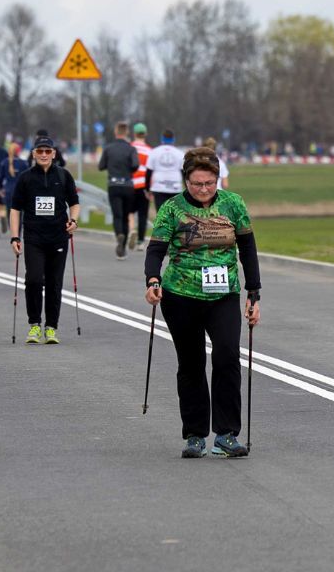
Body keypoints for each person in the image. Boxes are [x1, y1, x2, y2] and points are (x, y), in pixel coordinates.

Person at [143, 146, 260, 459]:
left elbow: (248, 248)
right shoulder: (172, 208)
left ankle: (226, 435)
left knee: (226, 356)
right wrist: (153, 280)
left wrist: (254, 293)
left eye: (210, 183)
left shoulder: (233, 204)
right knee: (192, 363)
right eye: (197, 183)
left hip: (223, 295)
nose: (204, 189)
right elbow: (155, 250)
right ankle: (195, 435)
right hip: (181, 296)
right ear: (185, 181)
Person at [9, 135, 80, 345]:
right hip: (33, 237)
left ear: (54, 154)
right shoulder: (25, 178)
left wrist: (73, 220)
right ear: (33, 154)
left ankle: (51, 328)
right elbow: (15, 209)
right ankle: (34, 325)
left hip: (58, 237)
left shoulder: (64, 176)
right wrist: (15, 236)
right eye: (39, 151)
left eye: (47, 151)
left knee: (54, 282)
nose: (43, 155)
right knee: (33, 279)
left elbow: (74, 203)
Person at [98, 122, 140, 260]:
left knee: (117, 215)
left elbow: (101, 166)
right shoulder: (131, 149)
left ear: (116, 132)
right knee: (126, 215)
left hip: (113, 185)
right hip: (128, 185)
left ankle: (119, 238)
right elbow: (135, 165)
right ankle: (123, 249)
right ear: (126, 133)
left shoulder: (108, 148)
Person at [145, 130, 185, 222]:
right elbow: (184, 173)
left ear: (162, 139)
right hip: (175, 187)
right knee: (174, 215)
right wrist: (187, 189)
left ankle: (163, 235)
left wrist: (147, 190)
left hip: (159, 187)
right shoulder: (179, 153)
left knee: (161, 214)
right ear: (173, 140)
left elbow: (148, 173)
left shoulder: (154, 152)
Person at [130, 123, 153, 249]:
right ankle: (140, 242)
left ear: (134, 134)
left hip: (131, 184)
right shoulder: (150, 150)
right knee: (143, 214)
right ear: (145, 134)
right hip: (144, 185)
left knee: (129, 212)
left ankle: (131, 230)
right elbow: (151, 170)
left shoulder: (130, 148)